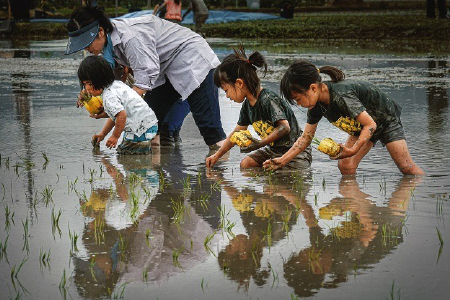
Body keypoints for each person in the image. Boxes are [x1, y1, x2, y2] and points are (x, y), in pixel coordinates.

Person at [66, 6, 226, 151]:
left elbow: (143, 80)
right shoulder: (108, 45)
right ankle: (156, 174)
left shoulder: (130, 39)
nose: (86, 49)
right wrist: (90, 96)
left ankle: (223, 172)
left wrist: (114, 109)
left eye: (87, 44)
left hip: (193, 61)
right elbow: (113, 86)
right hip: (164, 70)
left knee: (210, 129)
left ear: (100, 31)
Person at [263, 60, 425, 175]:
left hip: (384, 120)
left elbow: (370, 125)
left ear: (313, 88)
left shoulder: (342, 96)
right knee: (346, 165)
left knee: (407, 168)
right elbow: (306, 138)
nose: (298, 104)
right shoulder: (316, 104)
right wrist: (282, 160)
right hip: (360, 127)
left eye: (298, 99)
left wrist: (353, 150)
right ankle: (356, 211)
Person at [206, 47, 312, 169]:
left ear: (239, 83)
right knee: (246, 164)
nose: (227, 96)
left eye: (226, 90)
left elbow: (284, 127)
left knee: (280, 181)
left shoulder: (268, 99)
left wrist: (259, 144)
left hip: (295, 151)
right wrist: (217, 155)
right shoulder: (247, 106)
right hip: (274, 150)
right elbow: (236, 133)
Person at [77, 56, 158, 154]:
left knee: (126, 155)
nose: (87, 88)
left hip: (138, 129)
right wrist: (103, 134)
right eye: (85, 84)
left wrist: (115, 136)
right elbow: (116, 115)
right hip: (148, 125)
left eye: (89, 84)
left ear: (100, 79)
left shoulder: (109, 96)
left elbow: (121, 115)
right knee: (139, 155)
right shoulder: (116, 84)